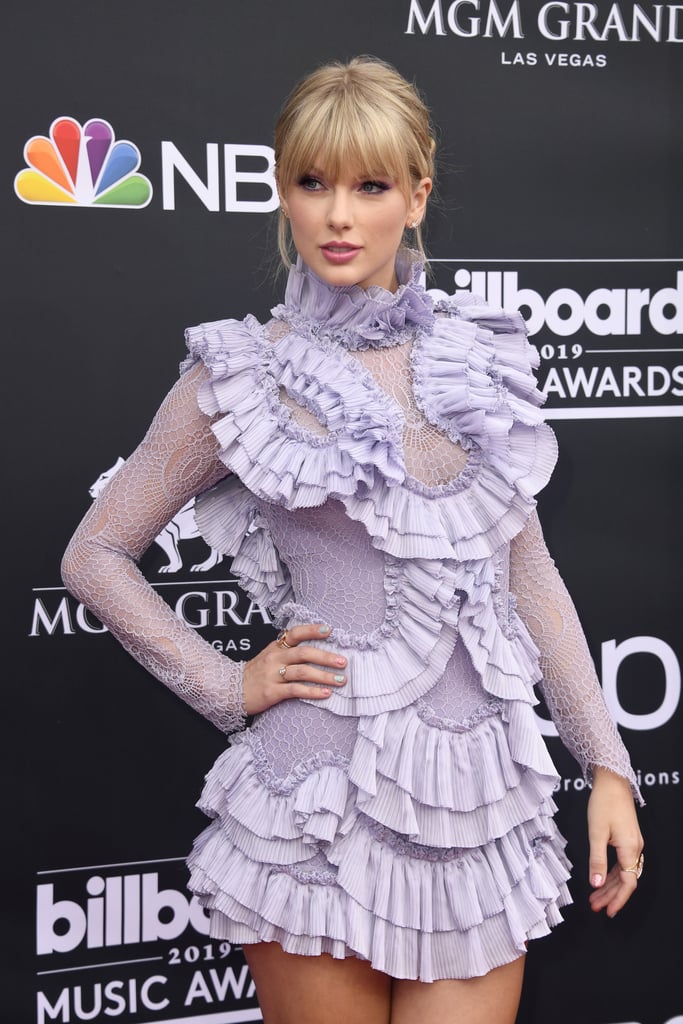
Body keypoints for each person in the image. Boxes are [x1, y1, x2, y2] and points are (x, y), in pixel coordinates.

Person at [62, 56, 644, 1024]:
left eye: (369, 186)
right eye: (312, 182)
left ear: (413, 198)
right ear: (281, 192)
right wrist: (223, 681)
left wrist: (606, 765)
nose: (338, 215)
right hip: (312, 803)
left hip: (478, 804)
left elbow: (527, 572)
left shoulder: (475, 358)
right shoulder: (242, 375)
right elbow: (94, 554)